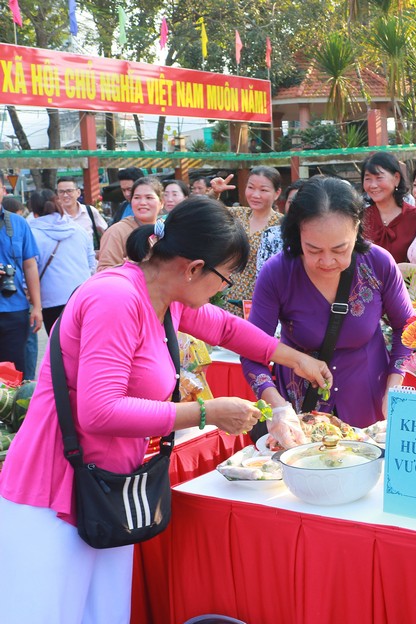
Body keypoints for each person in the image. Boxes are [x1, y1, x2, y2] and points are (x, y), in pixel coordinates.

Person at [0, 198, 332, 624]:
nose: (221, 291)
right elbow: (99, 411)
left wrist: (292, 358)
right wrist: (206, 412)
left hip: (105, 489)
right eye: (224, 280)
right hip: (54, 489)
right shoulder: (116, 298)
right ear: (194, 267)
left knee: (104, 614)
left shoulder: (165, 297)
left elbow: (226, 327)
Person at [243, 177, 413, 429]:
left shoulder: (377, 264)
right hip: (299, 411)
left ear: (356, 229)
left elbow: (408, 329)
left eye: (339, 249)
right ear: (297, 233)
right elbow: (252, 349)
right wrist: (277, 405)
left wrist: (394, 387)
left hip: (370, 401)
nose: (326, 261)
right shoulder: (278, 272)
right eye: (313, 250)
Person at [208, 167, 284, 315]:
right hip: (225, 301)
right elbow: (206, 211)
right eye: (250, 188)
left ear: (277, 193)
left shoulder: (283, 225)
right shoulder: (236, 215)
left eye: (263, 190)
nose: (255, 195)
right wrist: (214, 193)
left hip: (261, 305)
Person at [27, 190, 96, 333]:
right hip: (83, 297)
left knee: (59, 349)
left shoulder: (31, 235)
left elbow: (28, 269)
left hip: (52, 302)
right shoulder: (78, 230)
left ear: (34, 212)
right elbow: (91, 264)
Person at [0, 186, 42, 375]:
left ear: (3, 190)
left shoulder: (19, 223)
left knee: (15, 373)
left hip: (15, 309)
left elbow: (30, 266)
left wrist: (37, 306)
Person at [361, 152, 416, 264]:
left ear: (396, 179)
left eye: (379, 178)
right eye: (368, 179)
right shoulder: (360, 219)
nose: (373, 185)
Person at [98, 177, 164, 272]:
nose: (142, 203)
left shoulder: (166, 230)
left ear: (161, 202)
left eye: (149, 197)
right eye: (137, 198)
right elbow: (104, 271)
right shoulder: (117, 232)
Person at [55, 177, 107, 252]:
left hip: (88, 261)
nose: (65, 195)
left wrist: (102, 251)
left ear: (78, 193)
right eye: (61, 192)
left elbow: (107, 233)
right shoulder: (55, 215)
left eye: (69, 191)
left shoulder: (90, 211)